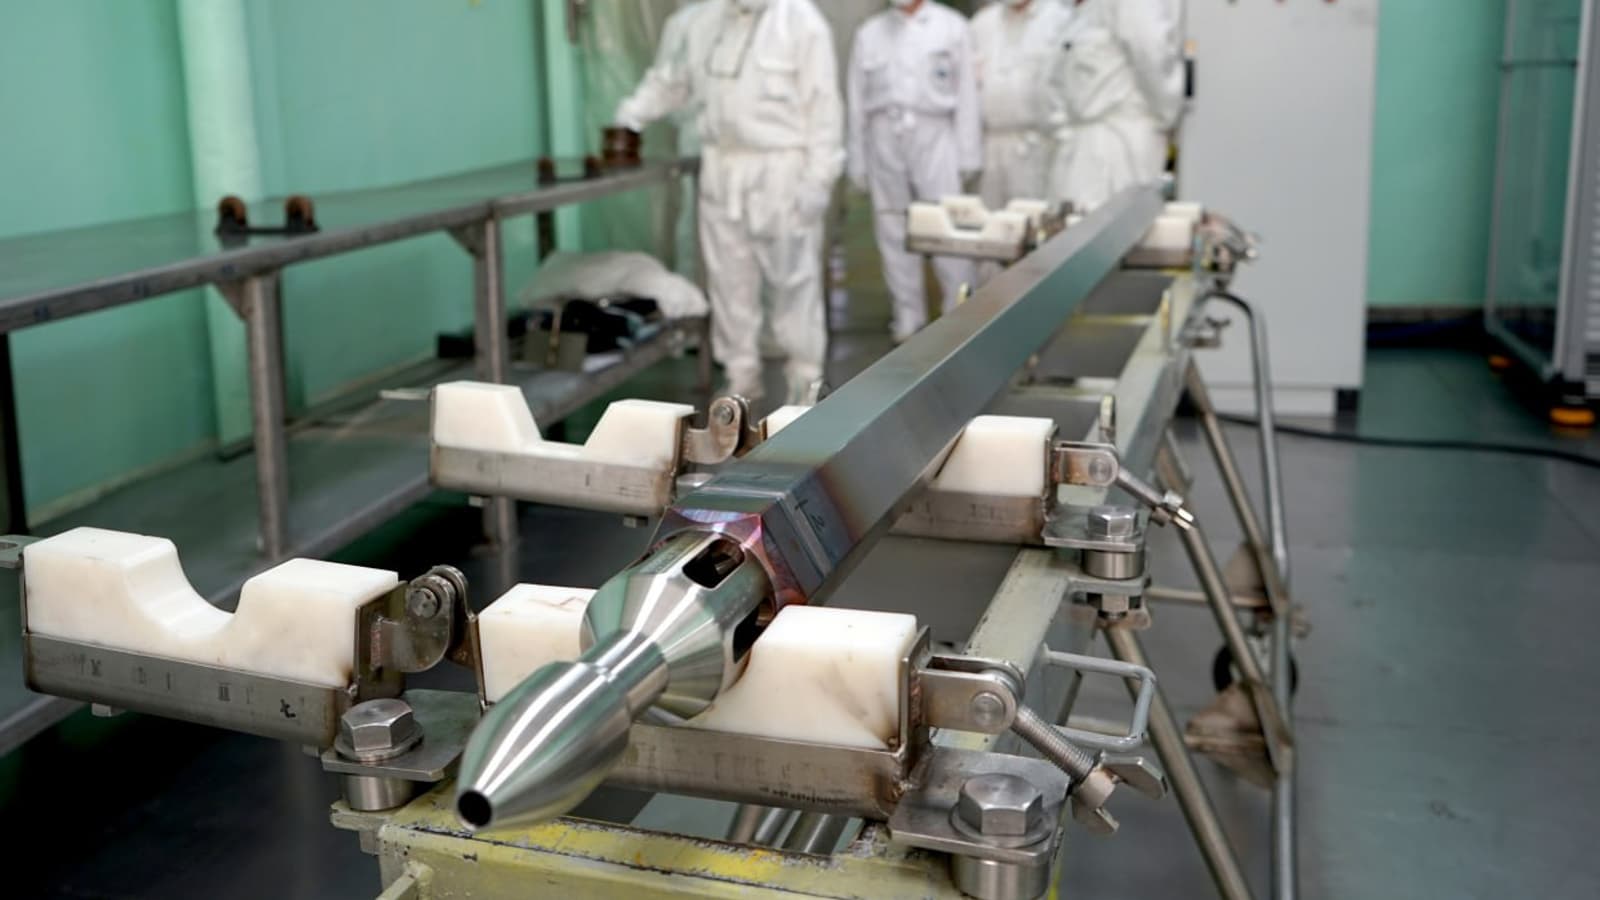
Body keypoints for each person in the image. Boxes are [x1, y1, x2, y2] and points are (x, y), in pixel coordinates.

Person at [615, 0, 844, 403]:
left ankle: (805, 376)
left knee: (793, 281)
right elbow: (672, 82)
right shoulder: (705, 22)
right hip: (721, 167)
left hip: (780, 169)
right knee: (729, 279)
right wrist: (631, 115)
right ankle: (741, 374)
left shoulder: (801, 22)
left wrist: (818, 180)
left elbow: (824, 108)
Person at [847, 0, 981, 343]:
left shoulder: (952, 27)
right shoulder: (869, 34)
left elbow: (968, 95)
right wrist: (857, 160)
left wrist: (968, 154)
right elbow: (856, 103)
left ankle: (958, 311)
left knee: (948, 225)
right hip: (883, 135)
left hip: (935, 132)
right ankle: (907, 314)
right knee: (893, 227)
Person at [1047, 0, 1184, 212]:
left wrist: (1167, 115)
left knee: (1121, 223)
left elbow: (1151, 57)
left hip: (1121, 146)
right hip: (1085, 144)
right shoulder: (1081, 12)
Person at [972, 0, 1074, 211]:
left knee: (1032, 217)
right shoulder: (982, 24)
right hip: (989, 143)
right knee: (986, 218)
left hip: (1036, 143)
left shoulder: (1060, 19)